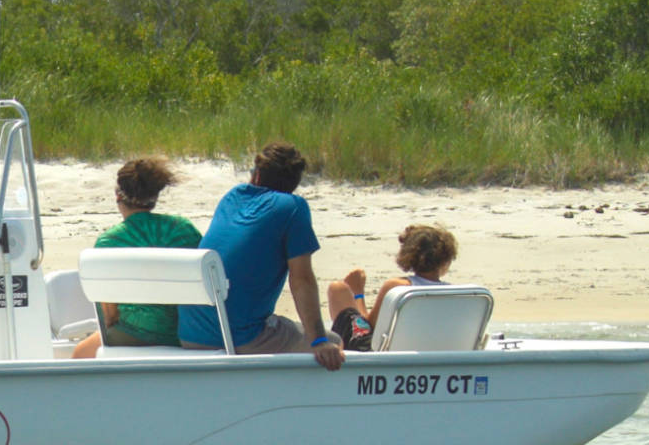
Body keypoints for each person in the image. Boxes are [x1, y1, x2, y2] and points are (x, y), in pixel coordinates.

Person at [177, 142, 345, 371]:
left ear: (256, 176)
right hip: (241, 338)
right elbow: (301, 279)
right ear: (294, 183)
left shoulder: (233, 196)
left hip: (191, 333)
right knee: (333, 341)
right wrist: (318, 341)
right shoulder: (293, 207)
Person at [73, 157, 202, 358]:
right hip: (187, 333)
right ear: (155, 196)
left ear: (118, 196)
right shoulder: (183, 229)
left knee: (79, 355)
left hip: (135, 333)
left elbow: (109, 317)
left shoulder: (109, 243)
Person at [326, 225, 459, 351]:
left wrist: (358, 293)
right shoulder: (459, 293)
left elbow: (368, 328)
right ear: (446, 261)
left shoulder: (397, 287)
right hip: (440, 352)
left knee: (338, 289)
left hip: (386, 354)